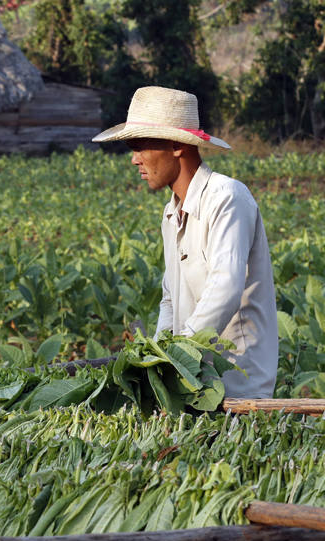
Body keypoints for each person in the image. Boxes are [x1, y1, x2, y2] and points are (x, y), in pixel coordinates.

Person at [92, 86, 277, 398]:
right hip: (194, 381)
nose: (135, 159)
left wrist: (175, 356)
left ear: (176, 145)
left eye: (140, 146)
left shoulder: (225, 197)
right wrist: (159, 355)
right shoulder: (171, 212)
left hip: (237, 385)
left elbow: (225, 290)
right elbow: (170, 298)